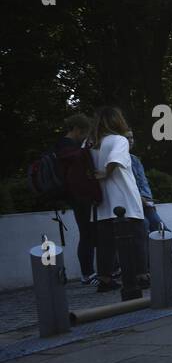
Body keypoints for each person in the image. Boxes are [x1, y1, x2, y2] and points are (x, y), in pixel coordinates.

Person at [87, 107, 146, 294]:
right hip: (125, 197)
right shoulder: (119, 140)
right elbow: (115, 160)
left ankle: (105, 278)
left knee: (105, 242)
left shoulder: (92, 144)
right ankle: (141, 276)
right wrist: (107, 172)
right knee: (137, 236)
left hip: (102, 201)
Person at [129, 133, 172, 267]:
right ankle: (147, 264)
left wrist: (148, 199)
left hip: (144, 201)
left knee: (159, 225)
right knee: (143, 228)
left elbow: (142, 181)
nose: (130, 141)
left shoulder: (135, 159)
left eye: (132, 137)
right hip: (131, 203)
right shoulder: (120, 160)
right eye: (127, 138)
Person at [54, 114, 98, 283]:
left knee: (88, 233)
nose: (85, 136)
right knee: (87, 233)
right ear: (78, 129)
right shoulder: (66, 146)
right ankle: (87, 273)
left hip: (77, 195)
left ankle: (88, 272)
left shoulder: (65, 146)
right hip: (79, 195)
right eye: (84, 132)